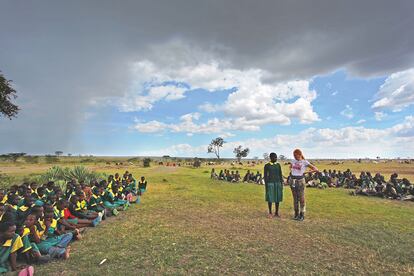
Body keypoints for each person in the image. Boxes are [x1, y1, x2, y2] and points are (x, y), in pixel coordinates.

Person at [289, 149, 318, 221]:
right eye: (294, 155)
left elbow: (315, 169)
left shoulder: (304, 162)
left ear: (300, 155)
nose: (294, 157)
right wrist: (292, 172)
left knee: (301, 198)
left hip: (300, 181)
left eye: (296, 155)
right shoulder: (293, 161)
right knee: (295, 198)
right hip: (292, 180)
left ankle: (302, 214)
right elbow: (290, 167)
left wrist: (306, 172)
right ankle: (296, 214)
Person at [263, 153, 284, 218]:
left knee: (277, 198)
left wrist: (281, 183)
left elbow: (280, 174)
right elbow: (265, 176)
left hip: (278, 183)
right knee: (270, 198)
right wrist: (266, 185)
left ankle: (276, 212)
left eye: (276, 157)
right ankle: (270, 212)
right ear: (270, 158)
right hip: (270, 183)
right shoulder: (267, 165)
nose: (276, 159)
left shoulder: (278, 165)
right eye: (274, 157)